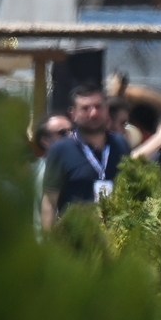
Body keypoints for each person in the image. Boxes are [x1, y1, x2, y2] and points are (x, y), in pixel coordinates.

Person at [41, 83, 131, 229]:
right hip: (75, 239)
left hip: (117, 238)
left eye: (98, 106)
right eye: (85, 108)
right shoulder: (60, 150)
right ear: (73, 114)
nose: (93, 113)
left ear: (106, 110)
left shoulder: (120, 144)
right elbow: (49, 202)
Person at [31, 114, 73, 232]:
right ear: (45, 141)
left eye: (73, 131)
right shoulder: (48, 170)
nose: (71, 136)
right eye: (62, 133)